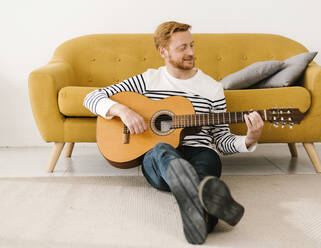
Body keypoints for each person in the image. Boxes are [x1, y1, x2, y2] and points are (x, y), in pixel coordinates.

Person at [83, 21, 264, 245]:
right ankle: (203, 197)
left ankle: (198, 208)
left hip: (199, 152)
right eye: (182, 48)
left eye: (192, 45)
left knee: (208, 158)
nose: (191, 52)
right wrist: (123, 111)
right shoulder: (148, 80)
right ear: (163, 51)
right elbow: (91, 97)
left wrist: (249, 139)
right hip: (157, 159)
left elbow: (221, 139)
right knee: (162, 149)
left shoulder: (212, 88)